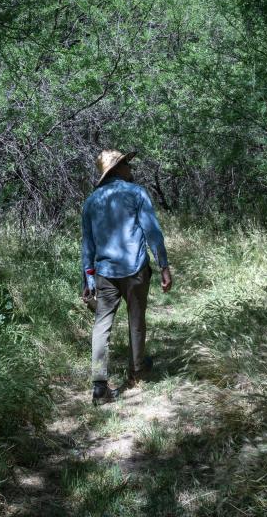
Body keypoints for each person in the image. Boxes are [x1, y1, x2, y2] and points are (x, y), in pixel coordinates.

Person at [81, 149, 173, 405]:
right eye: (127, 165)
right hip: (135, 269)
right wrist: (163, 266)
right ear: (118, 168)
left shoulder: (92, 201)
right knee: (136, 319)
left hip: (104, 273)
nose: (131, 169)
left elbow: (87, 246)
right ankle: (136, 371)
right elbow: (152, 232)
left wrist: (87, 282)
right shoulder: (136, 193)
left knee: (101, 325)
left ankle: (99, 386)